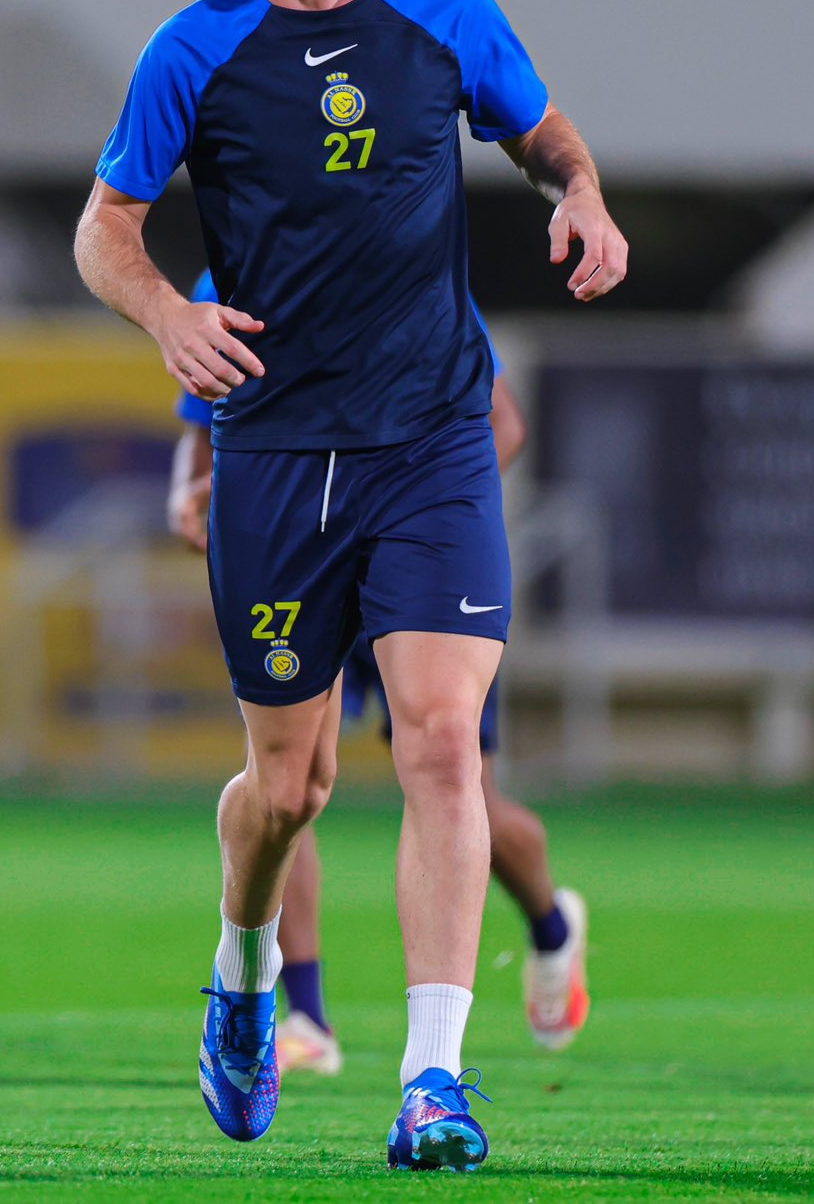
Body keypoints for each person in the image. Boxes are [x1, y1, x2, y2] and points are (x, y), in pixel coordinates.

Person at [73, 0, 627, 1172]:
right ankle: (247, 969)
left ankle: (433, 1077)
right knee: (292, 787)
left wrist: (580, 191)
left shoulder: (444, 11)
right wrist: (165, 313)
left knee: (444, 740)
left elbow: (542, 129)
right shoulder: (191, 54)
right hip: (275, 453)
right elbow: (106, 230)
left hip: (433, 437)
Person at [167, 268, 592, 1080]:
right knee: (289, 786)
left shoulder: (408, 256)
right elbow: (202, 421)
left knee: (467, 795)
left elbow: (499, 423)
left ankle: (549, 929)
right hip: (299, 549)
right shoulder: (233, 268)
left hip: (411, 568)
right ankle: (308, 1016)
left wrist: (413, 528)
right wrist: (191, 490)